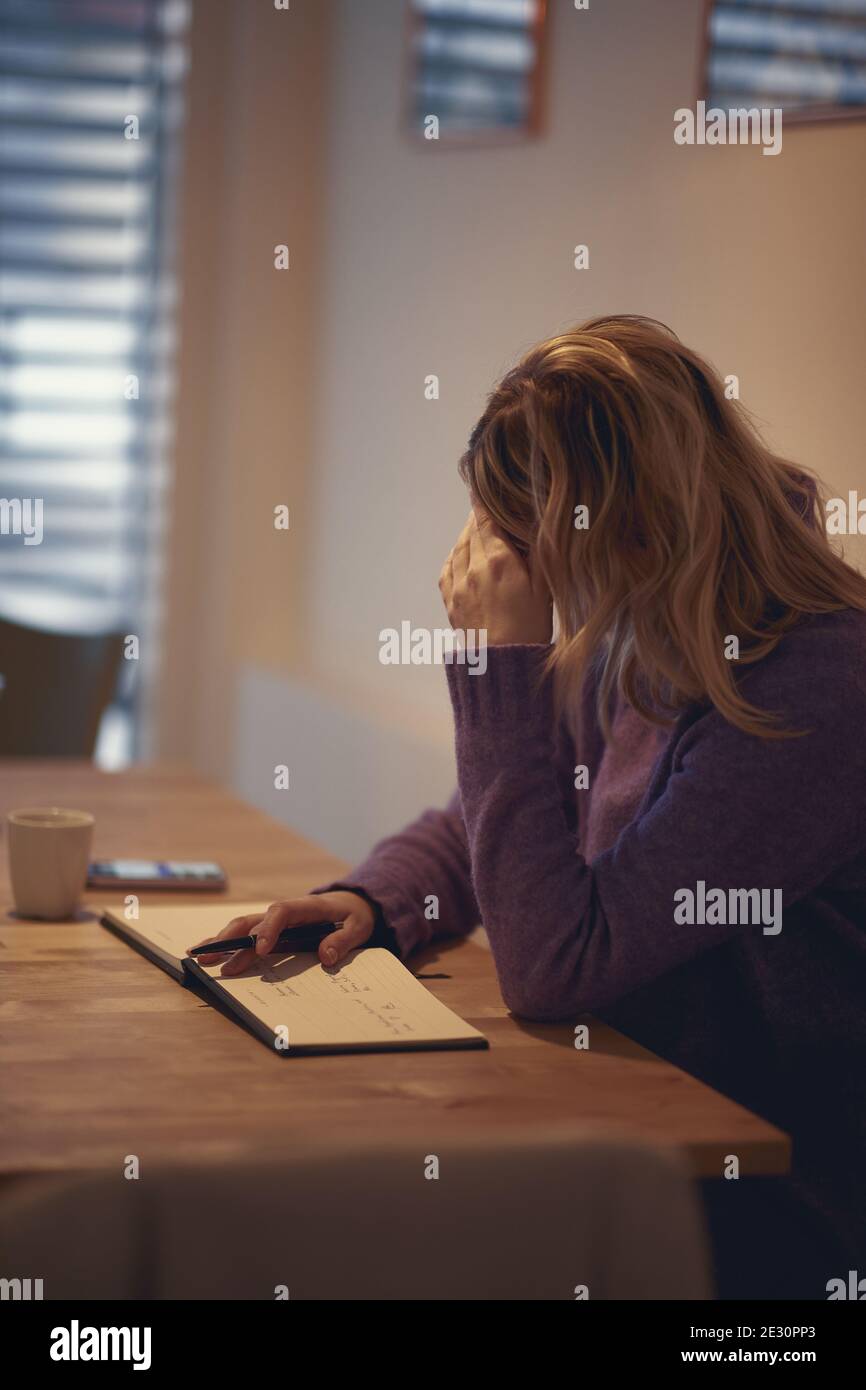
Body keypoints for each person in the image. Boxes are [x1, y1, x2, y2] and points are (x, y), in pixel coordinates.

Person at [195, 316, 866, 1296]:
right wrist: (380, 899)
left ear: (626, 522)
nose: (524, 570)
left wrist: (496, 660)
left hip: (768, 1207)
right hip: (636, 1128)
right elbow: (504, 818)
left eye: (528, 535)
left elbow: (559, 964)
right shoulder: (654, 613)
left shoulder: (806, 685)